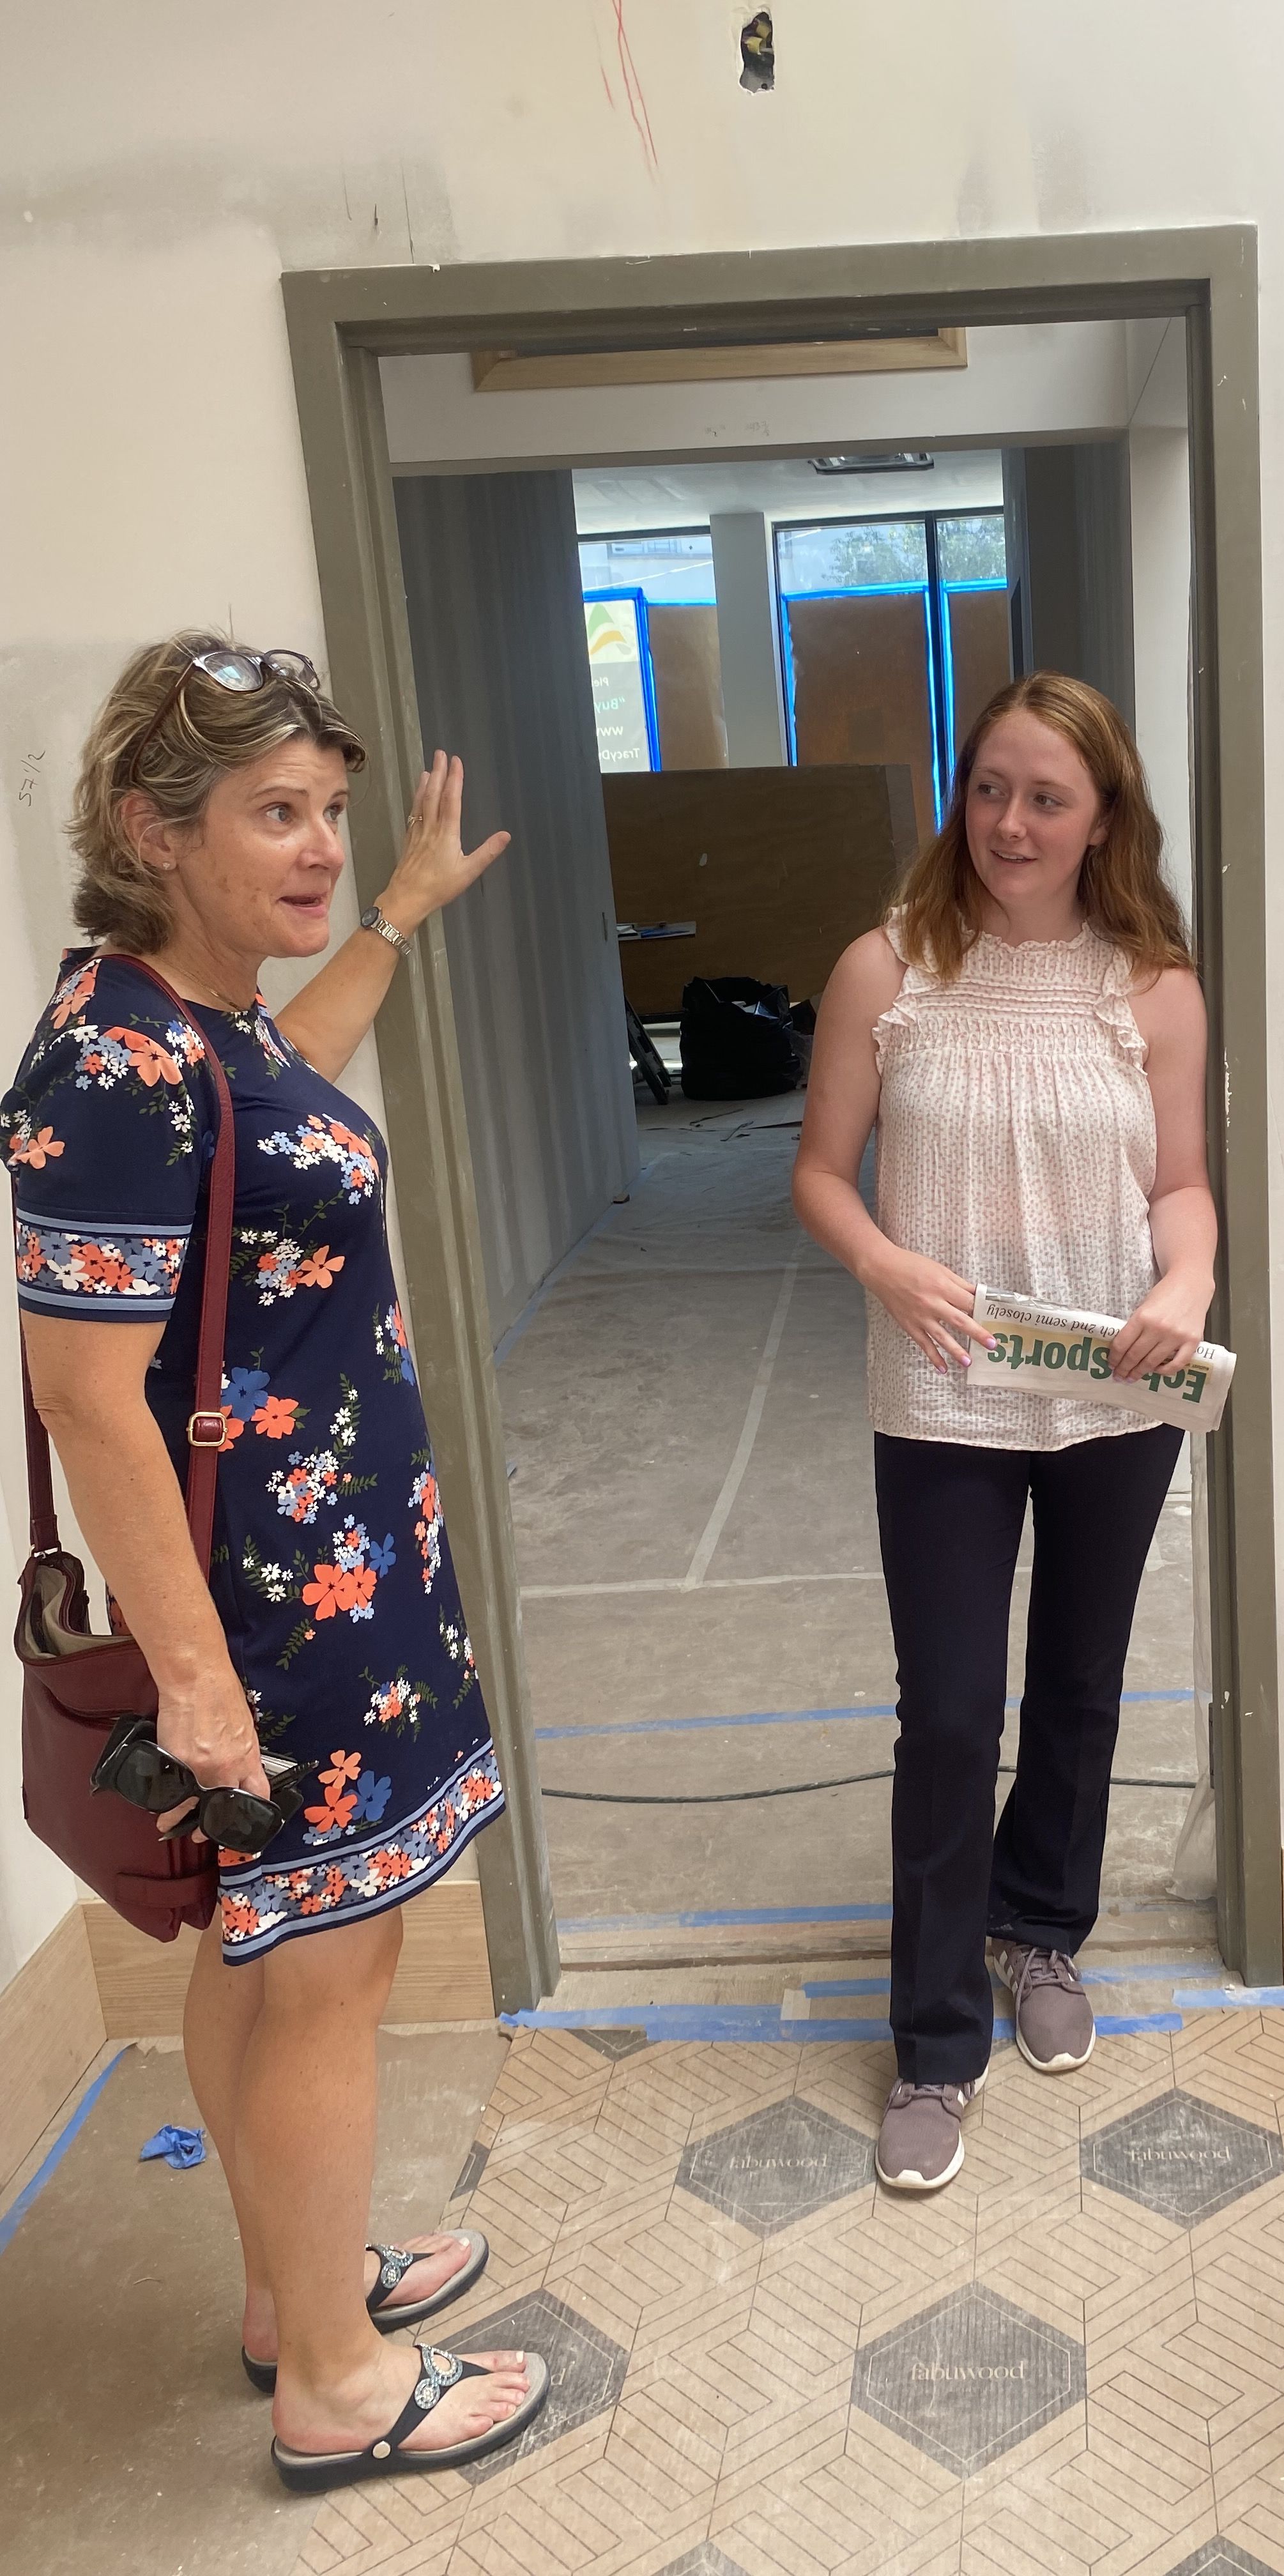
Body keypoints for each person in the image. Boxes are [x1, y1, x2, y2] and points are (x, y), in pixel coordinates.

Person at [7, 635, 547, 2491]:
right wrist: (198, 1684)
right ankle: (333, 2378)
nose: (314, 847)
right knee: (326, 1964)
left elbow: (279, 1124)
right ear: (157, 832)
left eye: (327, 810)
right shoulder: (109, 1057)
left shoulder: (203, 1028)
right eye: (275, 815)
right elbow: (80, 1397)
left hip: (335, 1587)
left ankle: (289, 2291)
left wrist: (390, 916)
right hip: (263, 1620)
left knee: (267, 1954)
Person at [794, 671, 1216, 2191]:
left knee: (1082, 1686)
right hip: (944, 1394)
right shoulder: (887, 972)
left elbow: (1178, 1180)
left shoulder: (1151, 984)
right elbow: (823, 1172)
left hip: (1112, 1384)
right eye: (989, 790)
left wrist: (1191, 1272)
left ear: (1104, 814)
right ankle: (933, 2037)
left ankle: (1041, 1927)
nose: (1011, 824)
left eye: (1047, 797)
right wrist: (883, 1260)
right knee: (956, 1711)